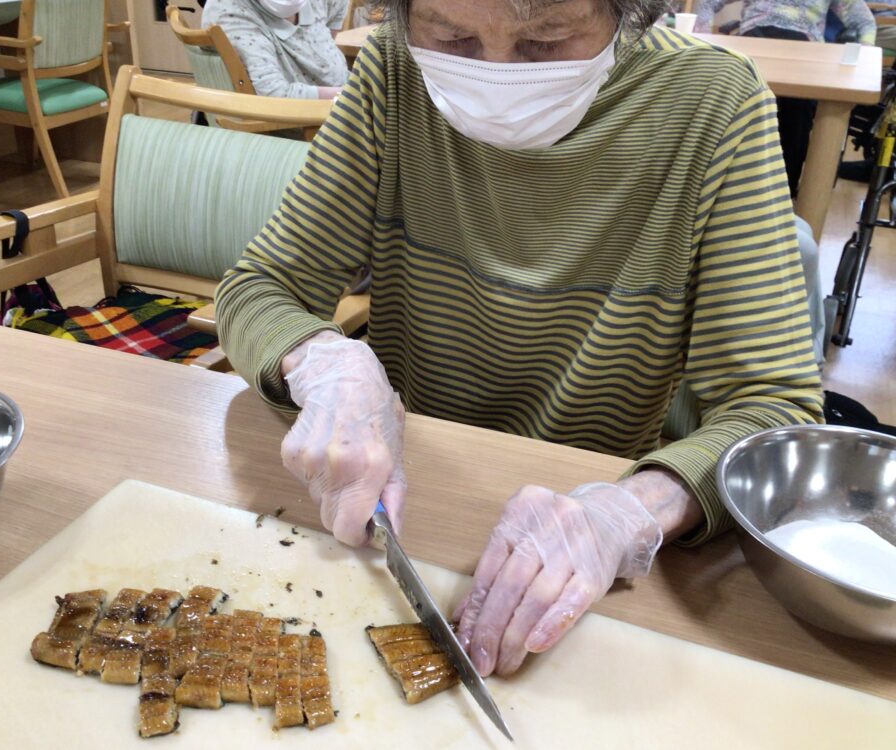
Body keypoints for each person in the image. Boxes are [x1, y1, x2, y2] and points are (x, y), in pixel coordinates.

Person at [215, 0, 824, 678]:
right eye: (451, 37)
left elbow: (774, 408)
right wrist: (325, 362)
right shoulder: (394, 70)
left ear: (631, 14)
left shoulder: (713, 104)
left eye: (546, 41)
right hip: (412, 498)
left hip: (585, 543)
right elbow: (260, 286)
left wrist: (626, 514)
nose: (496, 77)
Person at [694, 0, 876, 196]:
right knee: (735, 104)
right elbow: (707, 3)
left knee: (797, 110)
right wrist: (706, 45)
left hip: (804, 48)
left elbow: (864, 22)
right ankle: (722, 188)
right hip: (754, 41)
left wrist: (862, 60)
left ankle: (783, 191)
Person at [201, 0, 351, 99]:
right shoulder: (230, 10)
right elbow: (273, 93)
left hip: (342, 104)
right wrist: (353, 97)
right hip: (304, 124)